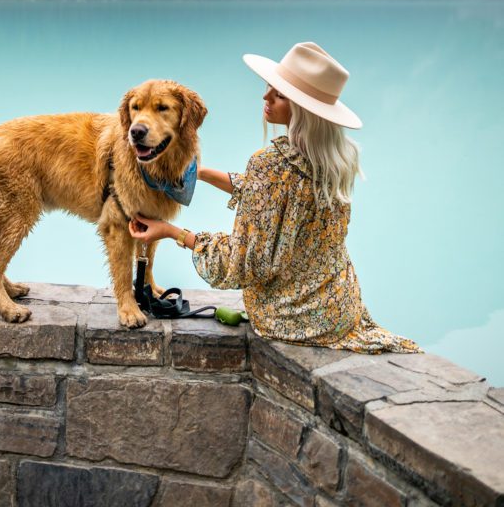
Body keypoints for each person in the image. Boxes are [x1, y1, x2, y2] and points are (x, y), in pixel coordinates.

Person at [129, 41, 420, 352]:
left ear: (303, 110)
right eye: (270, 87)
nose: (265, 96)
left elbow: (242, 263)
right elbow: (274, 199)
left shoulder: (269, 166)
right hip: (341, 310)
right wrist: (199, 172)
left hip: (292, 318)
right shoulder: (335, 159)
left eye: (279, 94)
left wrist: (172, 232)